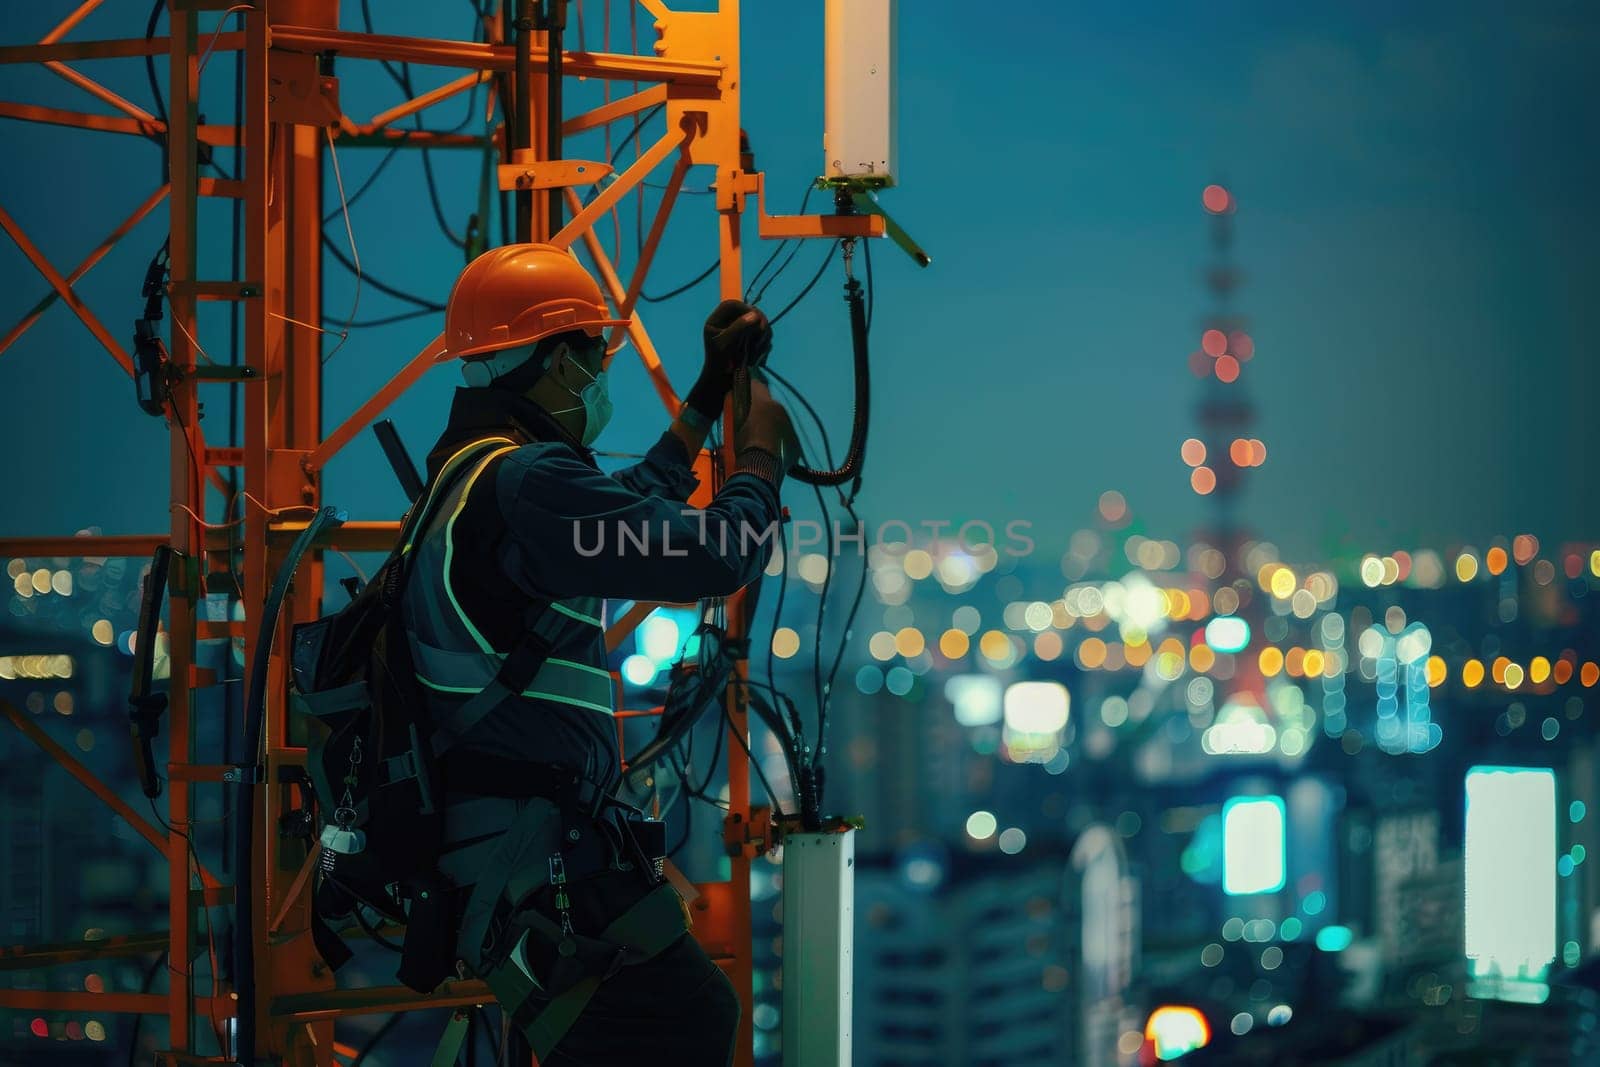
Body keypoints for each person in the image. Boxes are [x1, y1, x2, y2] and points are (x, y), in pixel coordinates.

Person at [402, 243, 797, 1065]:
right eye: (595, 349)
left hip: (502, 850)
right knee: (686, 1015)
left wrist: (707, 394)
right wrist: (761, 461)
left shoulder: (472, 474)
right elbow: (716, 555)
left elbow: (624, 512)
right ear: (555, 359)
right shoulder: (526, 481)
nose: (601, 366)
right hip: (534, 851)